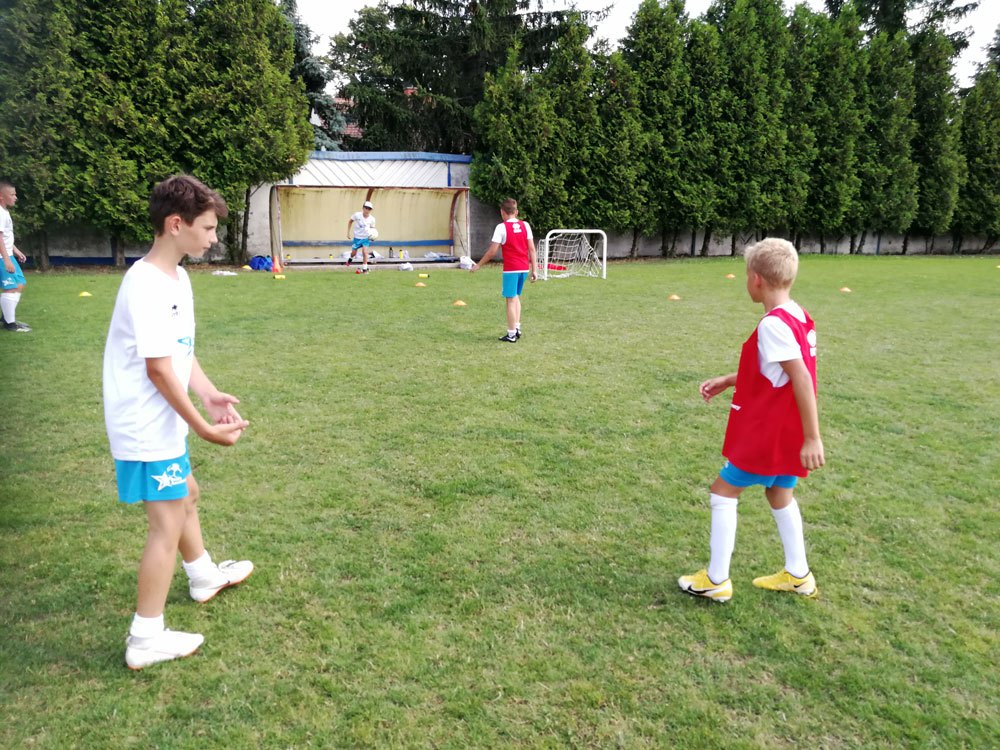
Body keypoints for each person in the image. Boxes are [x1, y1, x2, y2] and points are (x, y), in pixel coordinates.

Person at [103, 175, 254, 670]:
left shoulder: (178, 278)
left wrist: (208, 394)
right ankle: (145, 637)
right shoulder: (145, 283)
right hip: (145, 425)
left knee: (186, 493)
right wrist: (205, 429)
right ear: (175, 225)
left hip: (162, 421)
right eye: (207, 228)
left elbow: (180, 354)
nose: (214, 237)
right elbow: (158, 369)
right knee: (166, 523)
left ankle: (203, 575)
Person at [678, 237, 824, 602]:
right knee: (779, 493)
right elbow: (776, 371)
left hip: (770, 432)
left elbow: (801, 378)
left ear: (756, 279)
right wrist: (730, 380)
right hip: (786, 430)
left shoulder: (773, 324)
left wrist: (813, 437)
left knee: (723, 491)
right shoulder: (797, 315)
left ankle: (716, 579)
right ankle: (798, 574)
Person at [470, 198, 538, 342]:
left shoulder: (501, 227)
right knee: (516, 297)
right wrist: (535, 270)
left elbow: (492, 252)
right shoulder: (525, 225)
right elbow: (532, 249)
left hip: (511, 269)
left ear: (502, 212)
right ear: (516, 212)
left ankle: (511, 334)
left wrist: (479, 265)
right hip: (524, 268)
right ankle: (517, 328)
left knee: (510, 300)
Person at [0, 180, 31, 332]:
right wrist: (6, 260)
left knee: (19, 284)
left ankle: (6, 317)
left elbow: (5, 237)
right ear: (1, 196)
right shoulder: (0, 213)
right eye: (12, 194)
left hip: (8, 254)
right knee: (11, 288)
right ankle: (10, 324)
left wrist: (16, 251)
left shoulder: (4, 211)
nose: (15, 197)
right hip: (2, 257)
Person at [346, 200, 376, 272]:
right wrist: (348, 233)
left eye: (369, 209)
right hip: (357, 238)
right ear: (363, 208)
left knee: (365, 252)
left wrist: (373, 236)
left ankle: (365, 269)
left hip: (365, 238)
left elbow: (372, 229)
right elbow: (350, 221)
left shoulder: (372, 219)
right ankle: (350, 258)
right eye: (366, 208)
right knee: (353, 253)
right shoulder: (357, 215)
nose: (367, 210)